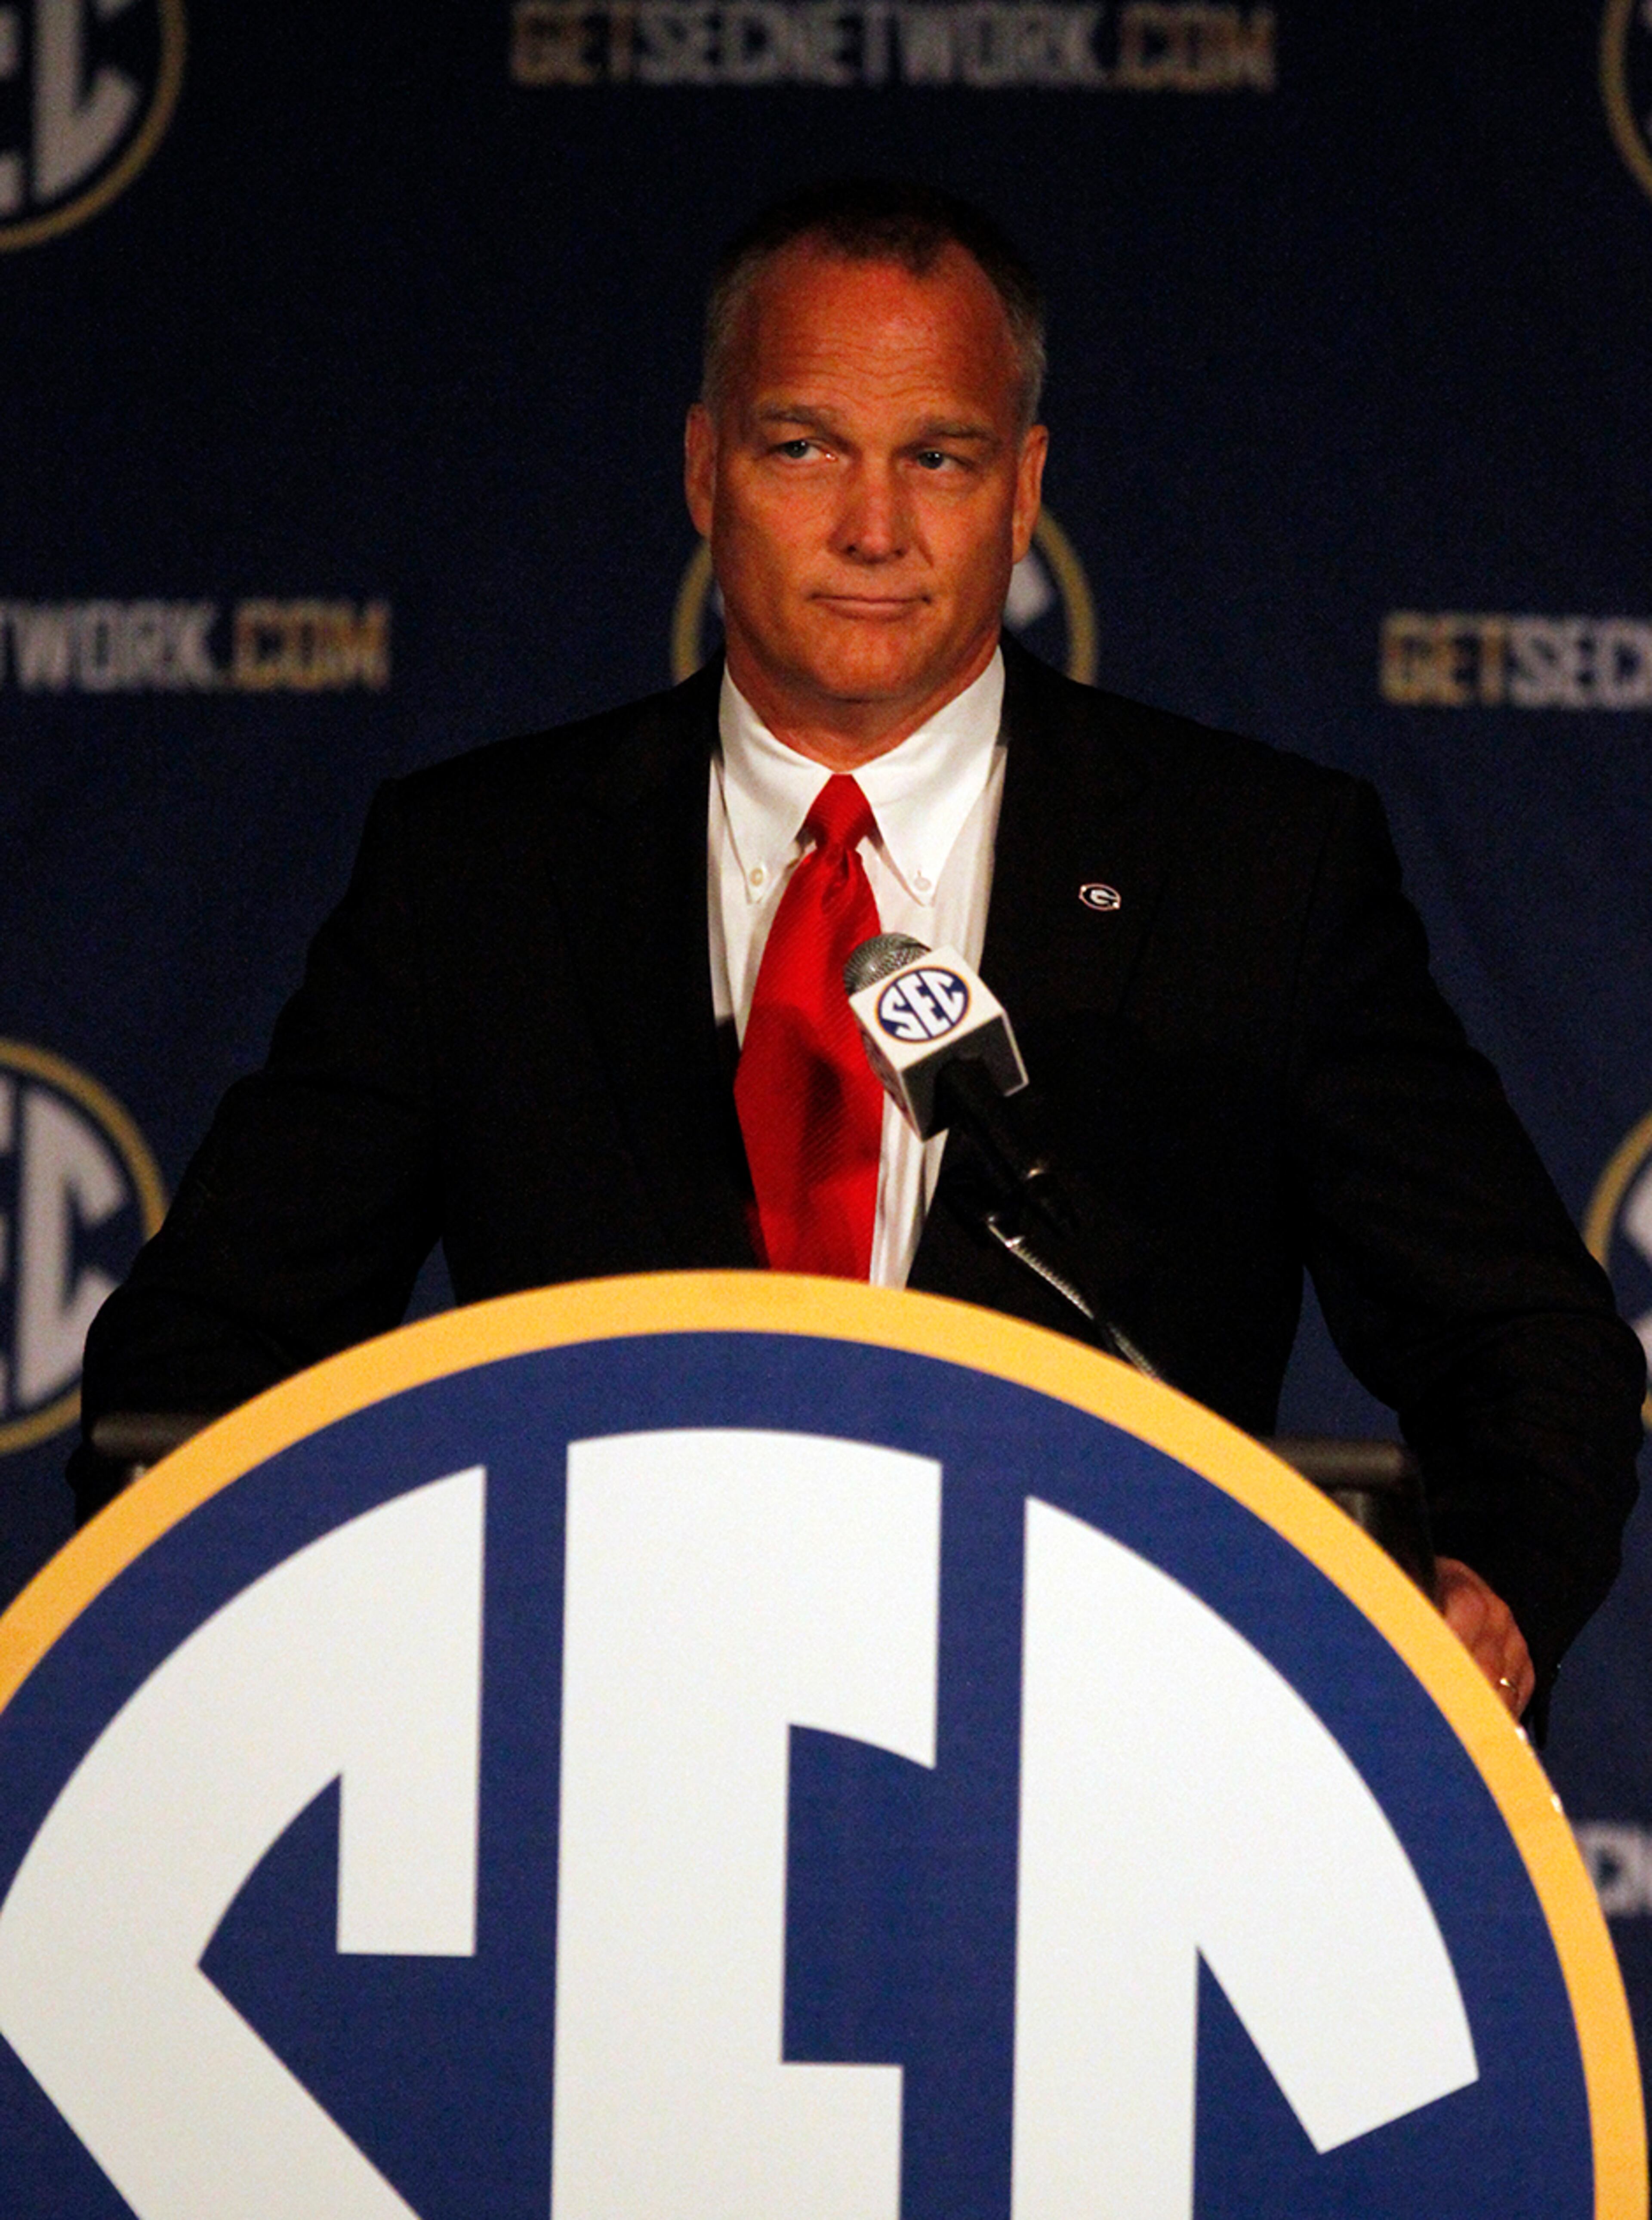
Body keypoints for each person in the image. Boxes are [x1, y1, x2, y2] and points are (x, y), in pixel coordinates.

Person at [72, 181, 1643, 1724]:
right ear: (704, 471)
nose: (875, 528)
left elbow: (1526, 1341)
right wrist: (291, 1678)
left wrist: (1490, 1591)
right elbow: (203, 1357)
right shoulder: (478, 869)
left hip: (1104, 1778)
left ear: (1023, 491)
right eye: (804, 447)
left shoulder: (1250, 868)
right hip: (586, 1779)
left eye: (939, 458)